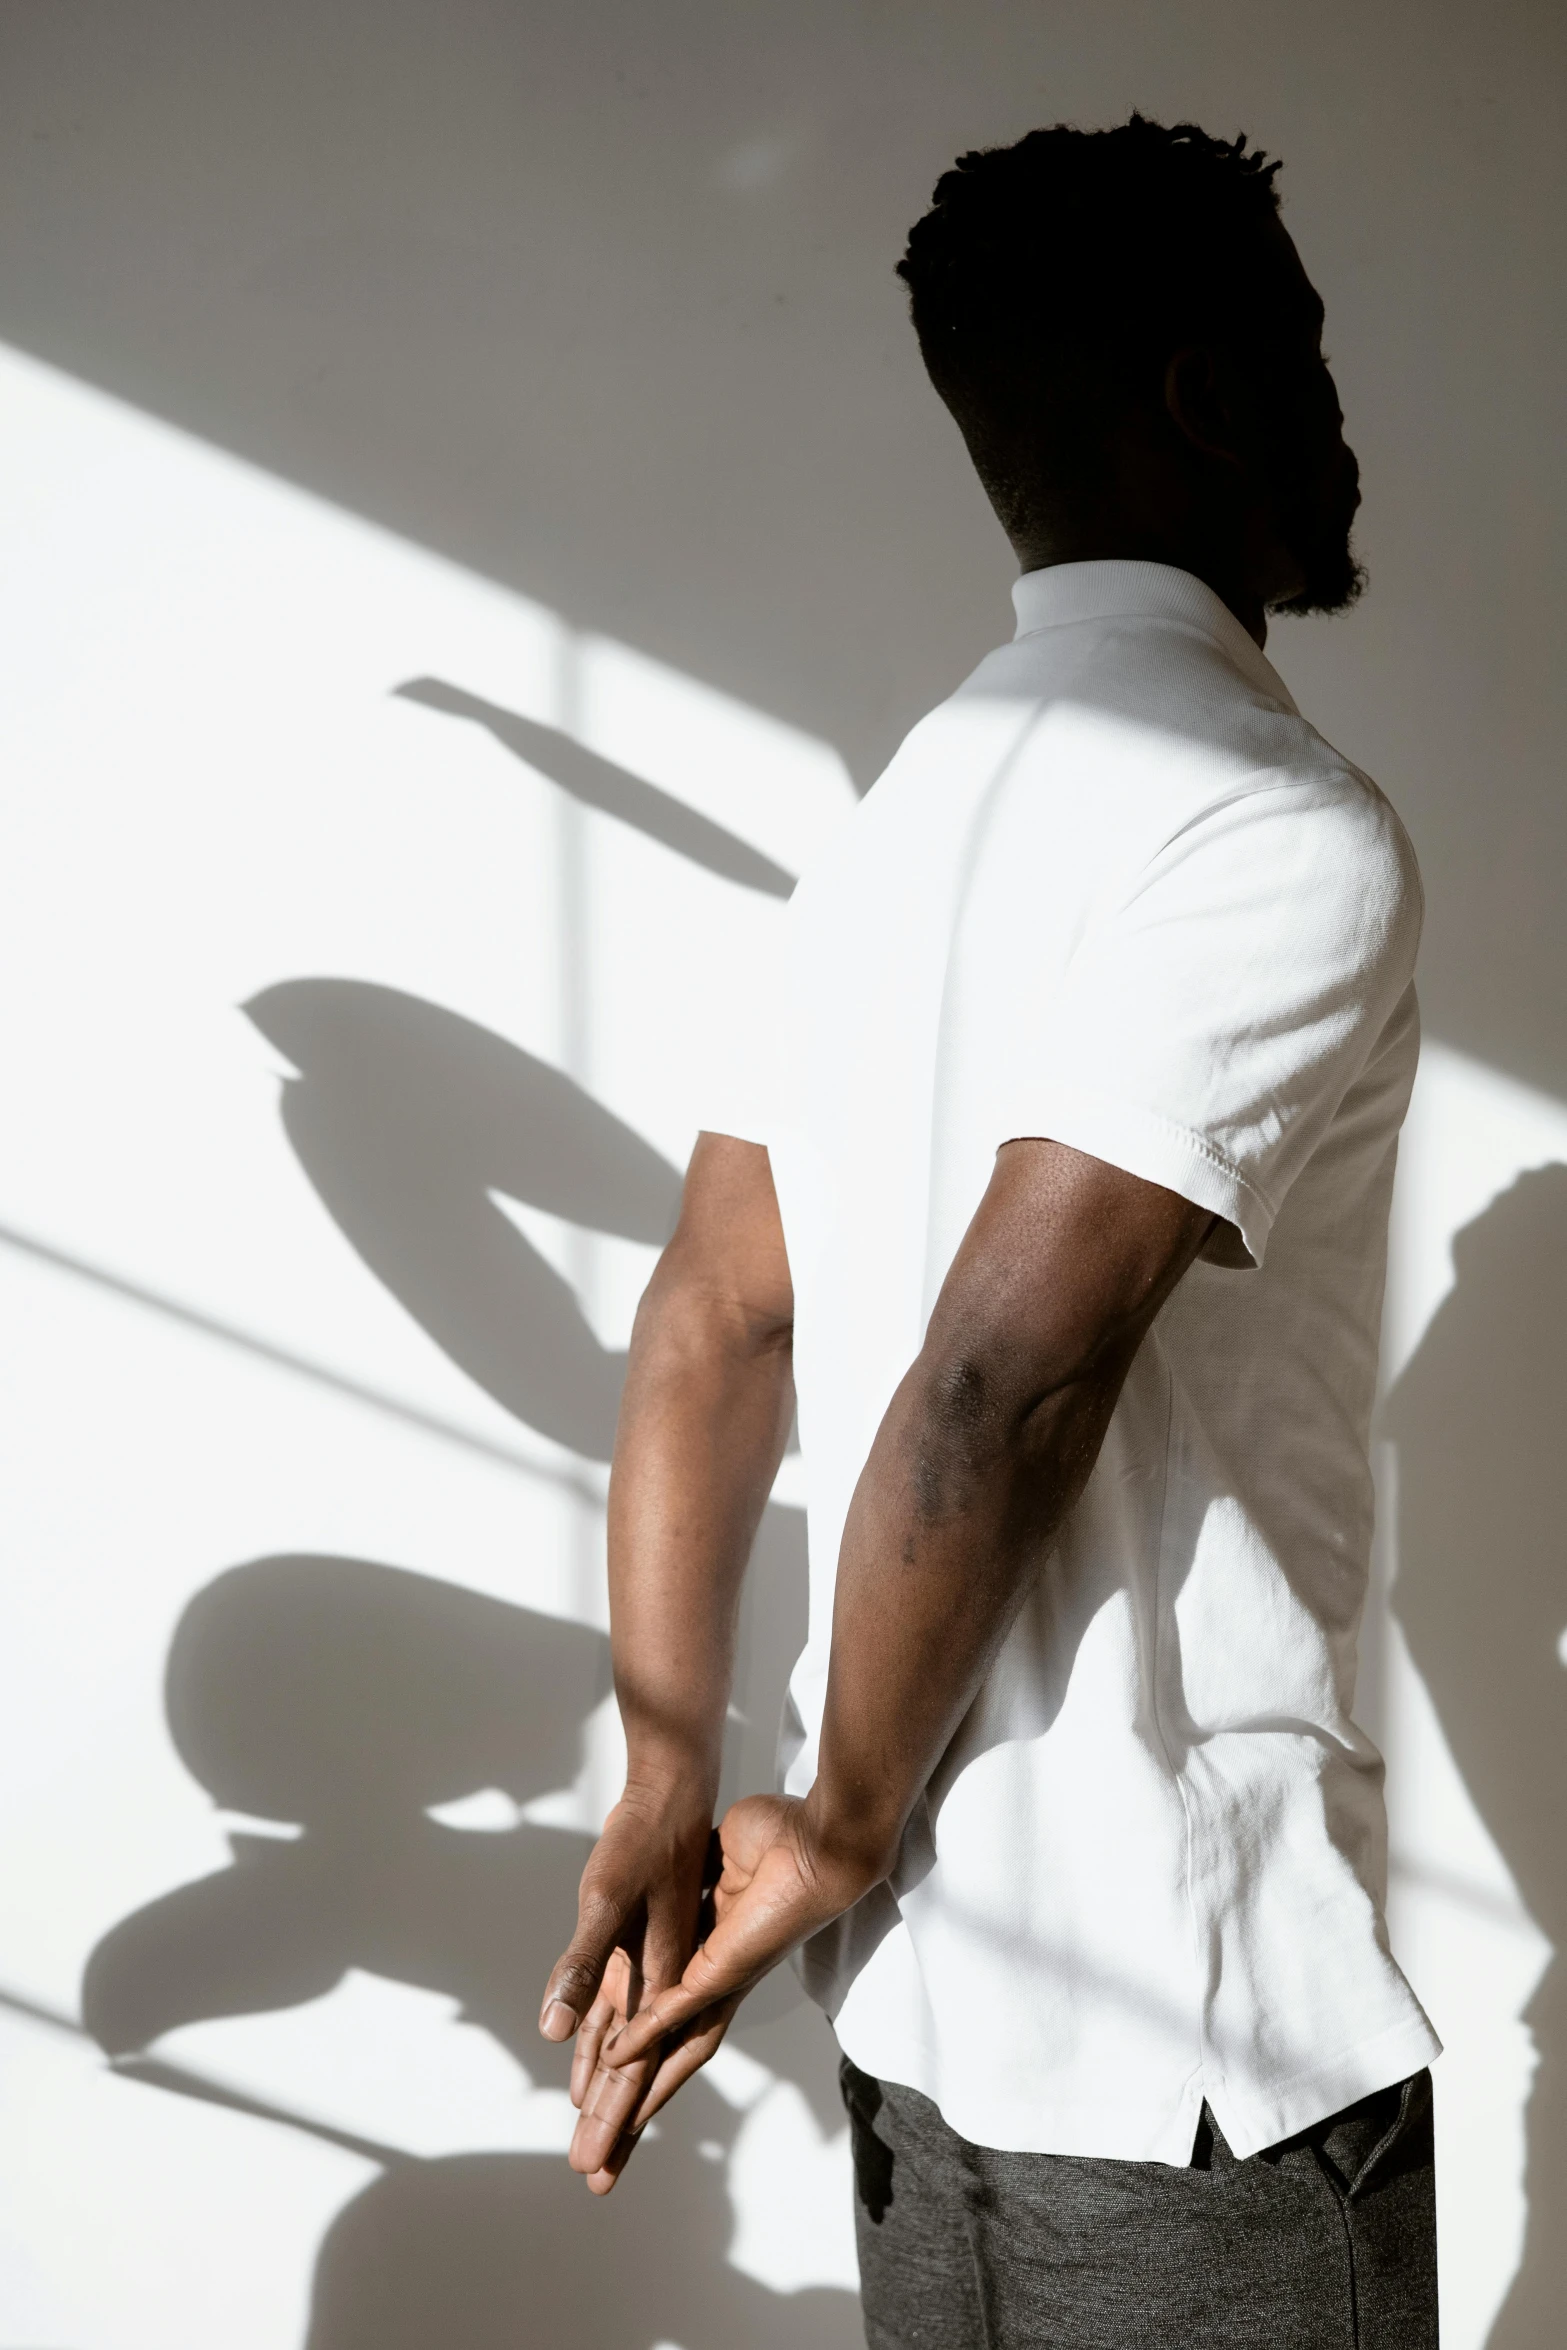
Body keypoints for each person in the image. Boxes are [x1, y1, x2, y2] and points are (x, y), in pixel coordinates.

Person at [540, 115, 1440, 2347]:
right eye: (1301, 355)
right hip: (1189, 2056)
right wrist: (828, 1807)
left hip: (921, 2051)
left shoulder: (891, 827)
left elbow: (705, 1320)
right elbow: (992, 1374)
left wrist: (669, 1764)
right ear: (1210, 400)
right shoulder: (1277, 822)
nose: (1337, 414)